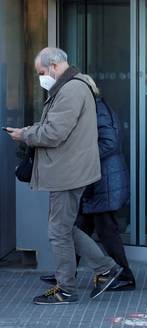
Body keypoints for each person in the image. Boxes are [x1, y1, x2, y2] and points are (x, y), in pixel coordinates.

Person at [5, 47, 123, 304]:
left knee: (58, 231)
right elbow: (56, 127)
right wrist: (29, 129)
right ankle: (105, 269)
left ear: (55, 66)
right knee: (64, 227)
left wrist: (25, 135)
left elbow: (54, 133)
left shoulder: (70, 90)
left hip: (67, 172)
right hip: (71, 170)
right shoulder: (74, 87)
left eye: (41, 72)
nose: (41, 78)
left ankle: (69, 287)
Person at [39, 76, 136, 291]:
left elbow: (110, 142)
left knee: (105, 229)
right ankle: (66, 274)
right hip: (94, 179)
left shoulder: (98, 109)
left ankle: (123, 274)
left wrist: (80, 158)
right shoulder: (92, 108)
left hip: (103, 181)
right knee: (78, 225)